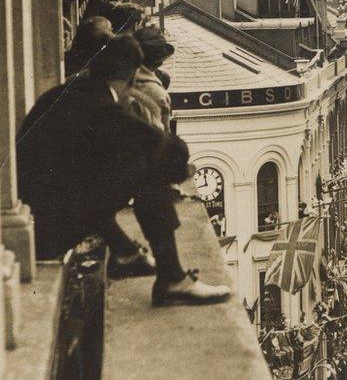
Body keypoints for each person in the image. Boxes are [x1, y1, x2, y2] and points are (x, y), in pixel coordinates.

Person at [17, 35, 231, 306]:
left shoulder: (74, 90)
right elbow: (167, 147)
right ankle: (172, 278)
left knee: (119, 167)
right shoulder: (101, 106)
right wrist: (175, 171)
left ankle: (125, 252)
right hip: (46, 231)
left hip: (37, 217)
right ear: (129, 77)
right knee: (147, 171)